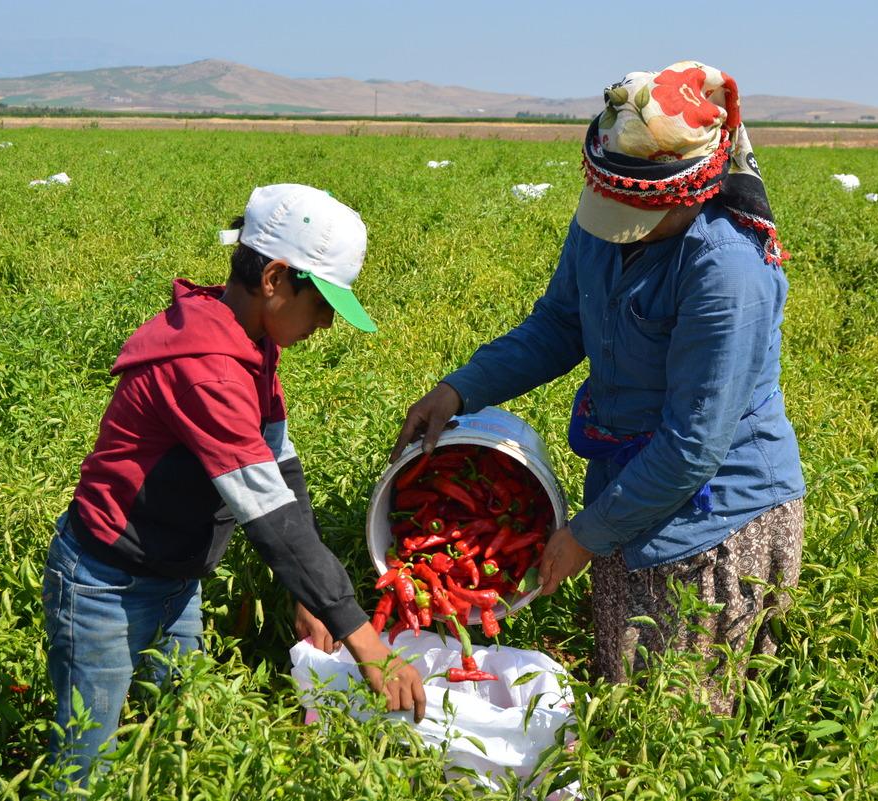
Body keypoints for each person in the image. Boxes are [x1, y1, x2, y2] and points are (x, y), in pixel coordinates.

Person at [392, 62, 806, 713]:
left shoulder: (725, 270)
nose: (617, 222)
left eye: (640, 209)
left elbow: (693, 446)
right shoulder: (600, 229)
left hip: (713, 512)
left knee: (679, 716)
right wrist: (460, 389)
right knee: (628, 691)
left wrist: (587, 534)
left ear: (692, 190)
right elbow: (559, 325)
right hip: (628, 485)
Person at [44, 183, 425, 783]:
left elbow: (282, 468)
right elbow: (266, 512)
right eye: (322, 302)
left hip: (174, 575)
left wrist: (312, 593)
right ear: (274, 279)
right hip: (105, 585)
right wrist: (368, 644)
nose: (327, 322)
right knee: (86, 755)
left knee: (182, 727)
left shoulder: (247, 340)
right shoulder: (205, 367)